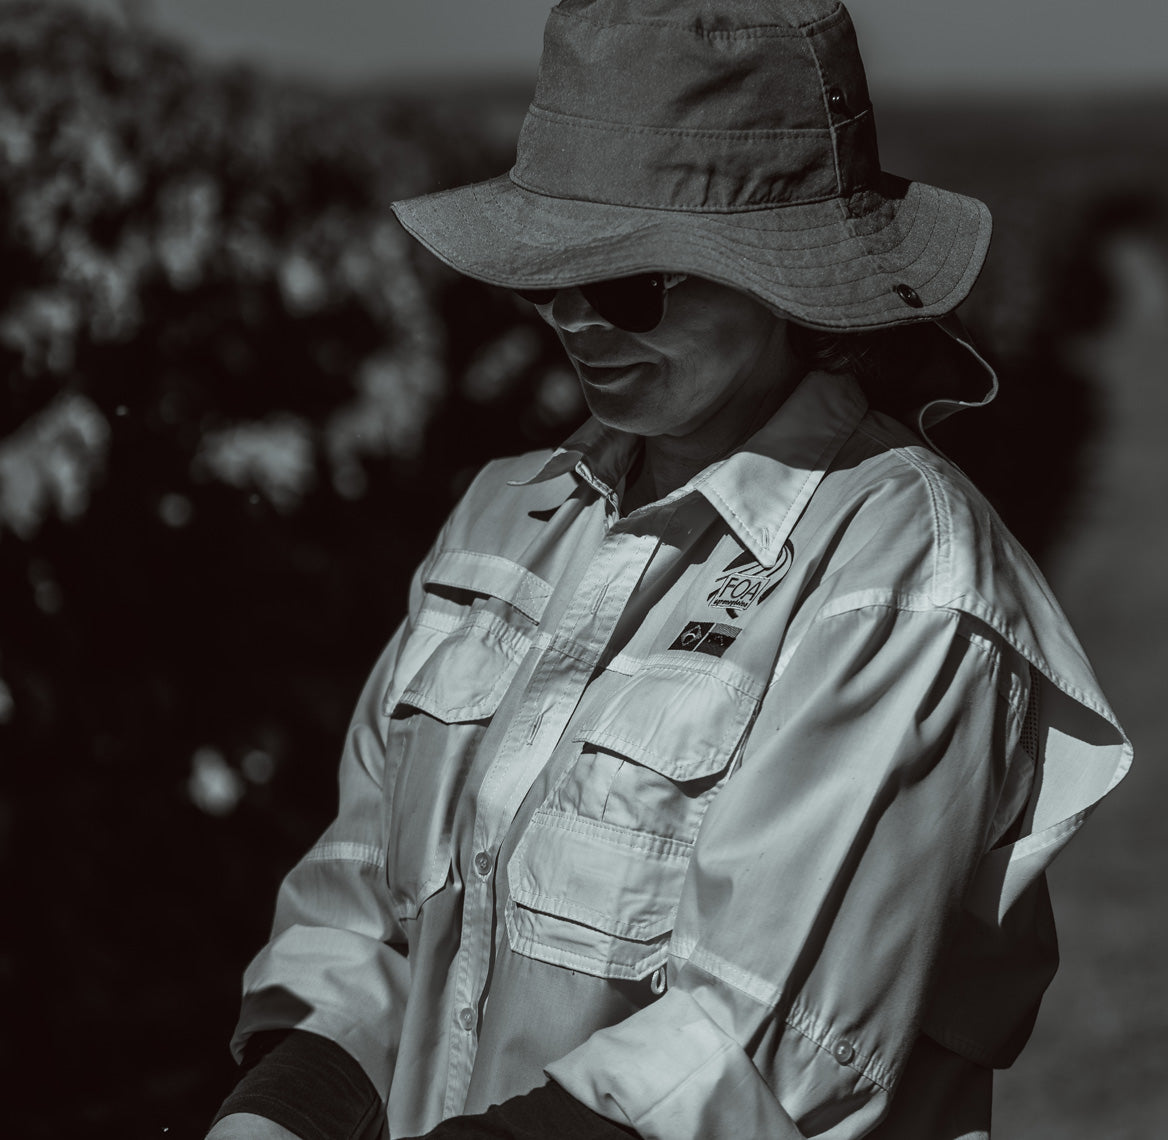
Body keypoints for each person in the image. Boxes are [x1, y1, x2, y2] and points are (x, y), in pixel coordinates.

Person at [207, 2, 1131, 1138]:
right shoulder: (504, 514)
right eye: (549, 280)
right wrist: (275, 1115)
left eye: (631, 285)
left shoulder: (903, 589)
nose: (576, 322)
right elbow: (372, 903)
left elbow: (751, 1054)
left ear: (791, 284)